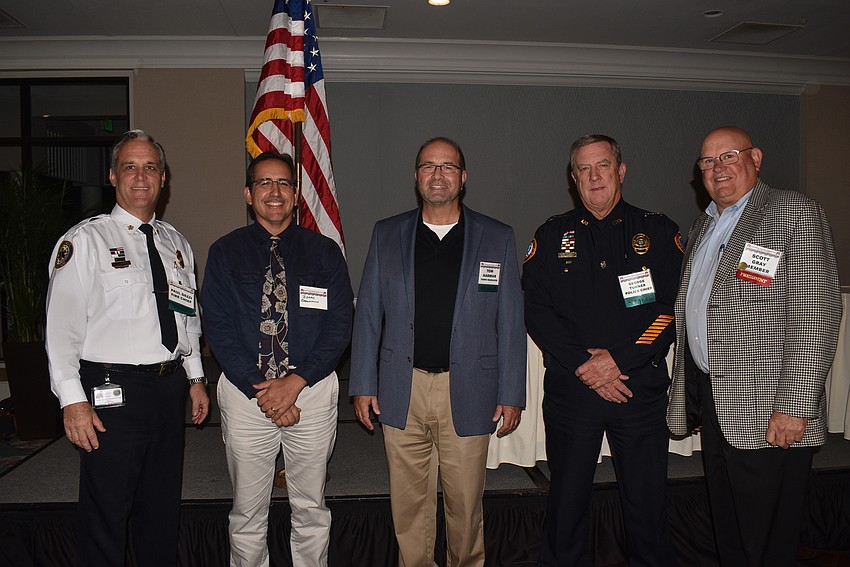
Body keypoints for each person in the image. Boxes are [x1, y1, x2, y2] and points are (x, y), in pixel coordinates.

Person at [667, 126, 842, 566]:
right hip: (720, 403)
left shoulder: (792, 212)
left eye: (728, 156)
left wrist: (796, 404)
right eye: (707, 162)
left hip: (772, 411)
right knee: (731, 528)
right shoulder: (704, 224)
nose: (717, 168)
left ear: (756, 157)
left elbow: (816, 315)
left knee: (767, 540)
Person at [349, 137, 526, 567]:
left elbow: (511, 322)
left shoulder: (496, 237)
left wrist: (511, 392)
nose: (438, 174)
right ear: (416, 177)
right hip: (400, 388)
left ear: (463, 178)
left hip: (468, 388)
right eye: (428, 166)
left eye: (448, 166)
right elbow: (369, 313)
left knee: (465, 505)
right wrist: (362, 385)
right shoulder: (387, 233)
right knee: (408, 505)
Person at [45, 129, 209, 566]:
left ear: (163, 178)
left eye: (151, 167)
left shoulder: (177, 244)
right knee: (107, 514)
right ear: (113, 177)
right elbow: (60, 331)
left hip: (167, 389)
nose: (142, 177)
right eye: (131, 167)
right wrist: (72, 401)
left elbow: (185, 318)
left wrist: (195, 378)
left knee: (161, 509)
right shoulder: (83, 241)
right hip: (109, 392)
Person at [523, 133, 681, 566]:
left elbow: (670, 309)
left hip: (639, 389)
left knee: (647, 507)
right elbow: (536, 311)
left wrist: (617, 360)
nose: (594, 177)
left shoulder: (659, 230)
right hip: (573, 394)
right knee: (566, 506)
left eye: (603, 165)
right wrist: (583, 363)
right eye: (584, 169)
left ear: (621, 170)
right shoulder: (552, 234)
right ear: (573, 178)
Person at [201, 151, 352, 567]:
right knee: (248, 512)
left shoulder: (324, 252)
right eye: (265, 183)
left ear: (297, 194)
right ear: (249, 194)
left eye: (284, 183)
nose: (275, 191)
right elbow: (218, 328)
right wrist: (265, 392)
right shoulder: (225, 252)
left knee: (311, 508)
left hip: (313, 392)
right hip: (247, 395)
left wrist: (295, 382)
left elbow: (340, 324)